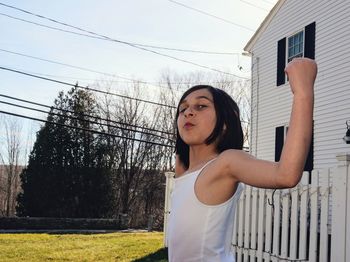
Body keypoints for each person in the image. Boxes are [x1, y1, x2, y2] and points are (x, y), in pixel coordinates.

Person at [167, 57, 317, 262]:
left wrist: (303, 93)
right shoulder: (183, 170)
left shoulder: (226, 163)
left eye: (201, 106)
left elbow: (286, 175)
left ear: (225, 124)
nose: (188, 112)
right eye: (183, 109)